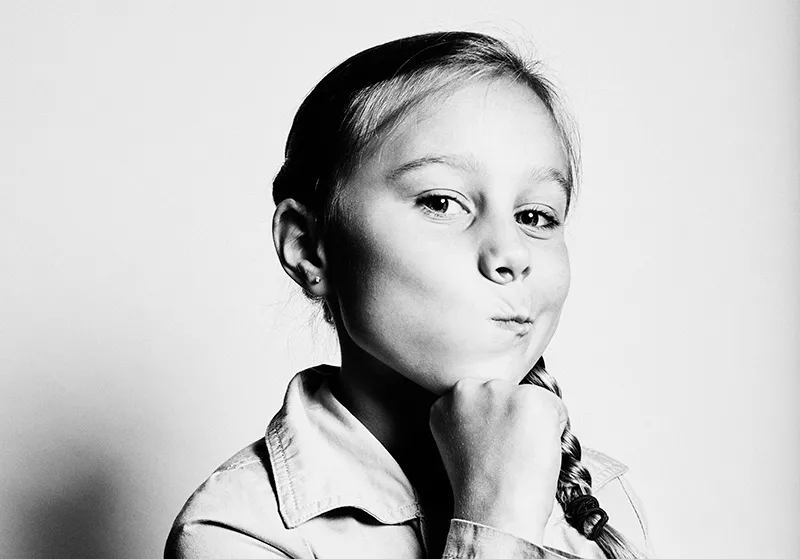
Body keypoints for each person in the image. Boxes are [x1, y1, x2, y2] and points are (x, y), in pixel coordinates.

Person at [165, 31, 655, 559]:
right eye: (442, 202)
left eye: (535, 216)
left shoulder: (600, 504)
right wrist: (497, 518)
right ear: (309, 247)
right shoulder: (238, 530)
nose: (511, 253)